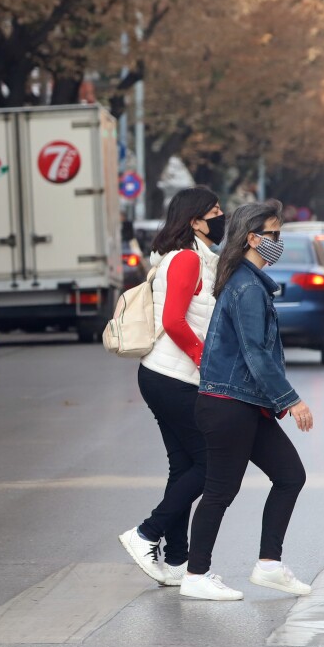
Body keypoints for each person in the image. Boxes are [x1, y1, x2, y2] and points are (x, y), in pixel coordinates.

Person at [179, 201, 314, 601]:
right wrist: (291, 400)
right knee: (221, 489)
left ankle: (269, 564)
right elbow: (255, 353)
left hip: (243, 403)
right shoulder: (246, 286)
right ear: (254, 238)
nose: (279, 242)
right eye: (274, 235)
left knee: (290, 475)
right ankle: (196, 573)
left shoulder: (248, 281)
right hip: (228, 404)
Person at [118, 187, 224, 586]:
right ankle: (146, 532)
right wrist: (203, 359)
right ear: (194, 221)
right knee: (212, 463)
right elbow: (175, 320)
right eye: (214, 211)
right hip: (172, 377)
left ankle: (178, 559)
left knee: (184, 467)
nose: (221, 216)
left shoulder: (192, 258)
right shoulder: (186, 259)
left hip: (167, 375)